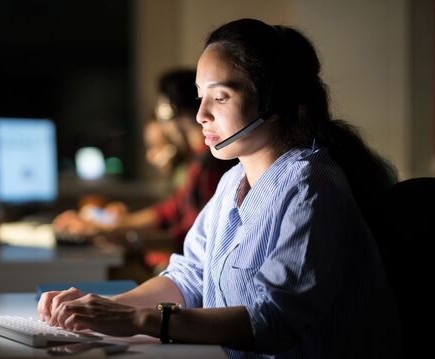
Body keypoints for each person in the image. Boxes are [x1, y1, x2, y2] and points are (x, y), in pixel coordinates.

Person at [38, 19, 402, 358]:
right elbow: (188, 277)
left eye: (221, 96)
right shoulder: (232, 183)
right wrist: (105, 307)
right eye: (200, 96)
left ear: (273, 100)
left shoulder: (311, 187)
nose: (201, 115)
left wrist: (136, 321)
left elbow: (274, 320)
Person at [53, 69, 236, 254]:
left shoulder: (209, 163)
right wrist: (114, 225)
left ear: (169, 110)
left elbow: (187, 240)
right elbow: (170, 210)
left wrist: (120, 236)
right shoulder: (200, 161)